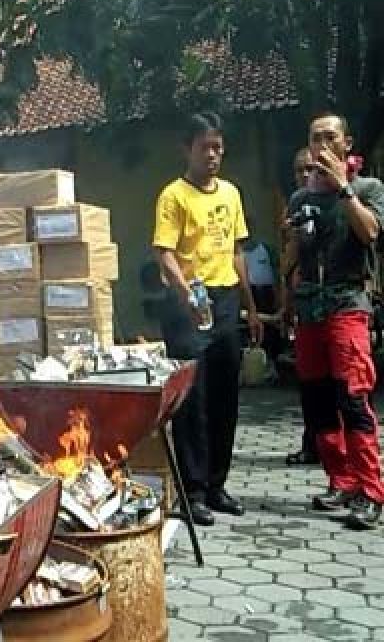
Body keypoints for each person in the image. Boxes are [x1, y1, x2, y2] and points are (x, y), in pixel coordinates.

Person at [153, 112, 263, 526]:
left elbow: (238, 253)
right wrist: (188, 296)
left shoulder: (231, 194)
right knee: (192, 400)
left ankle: (217, 484)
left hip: (226, 299)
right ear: (188, 149)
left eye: (218, 146)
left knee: (224, 396)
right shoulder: (173, 196)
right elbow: (164, 253)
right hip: (187, 303)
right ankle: (193, 490)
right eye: (205, 147)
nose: (213, 154)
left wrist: (250, 306)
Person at [284, 112, 384, 530]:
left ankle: (371, 491)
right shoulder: (300, 199)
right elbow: (293, 256)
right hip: (308, 308)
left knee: (353, 397)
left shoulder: (368, 188)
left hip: (347, 304)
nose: (322, 145)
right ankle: (340, 480)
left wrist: (343, 187)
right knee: (317, 399)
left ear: (347, 143)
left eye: (330, 137)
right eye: (314, 139)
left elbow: (371, 233)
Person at [282, 147, 319, 466]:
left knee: (340, 388)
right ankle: (311, 443)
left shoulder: (339, 196)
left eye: (310, 169)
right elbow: (289, 260)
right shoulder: (296, 203)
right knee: (307, 381)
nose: (304, 175)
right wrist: (287, 306)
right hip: (302, 300)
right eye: (299, 170)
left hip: (336, 303)